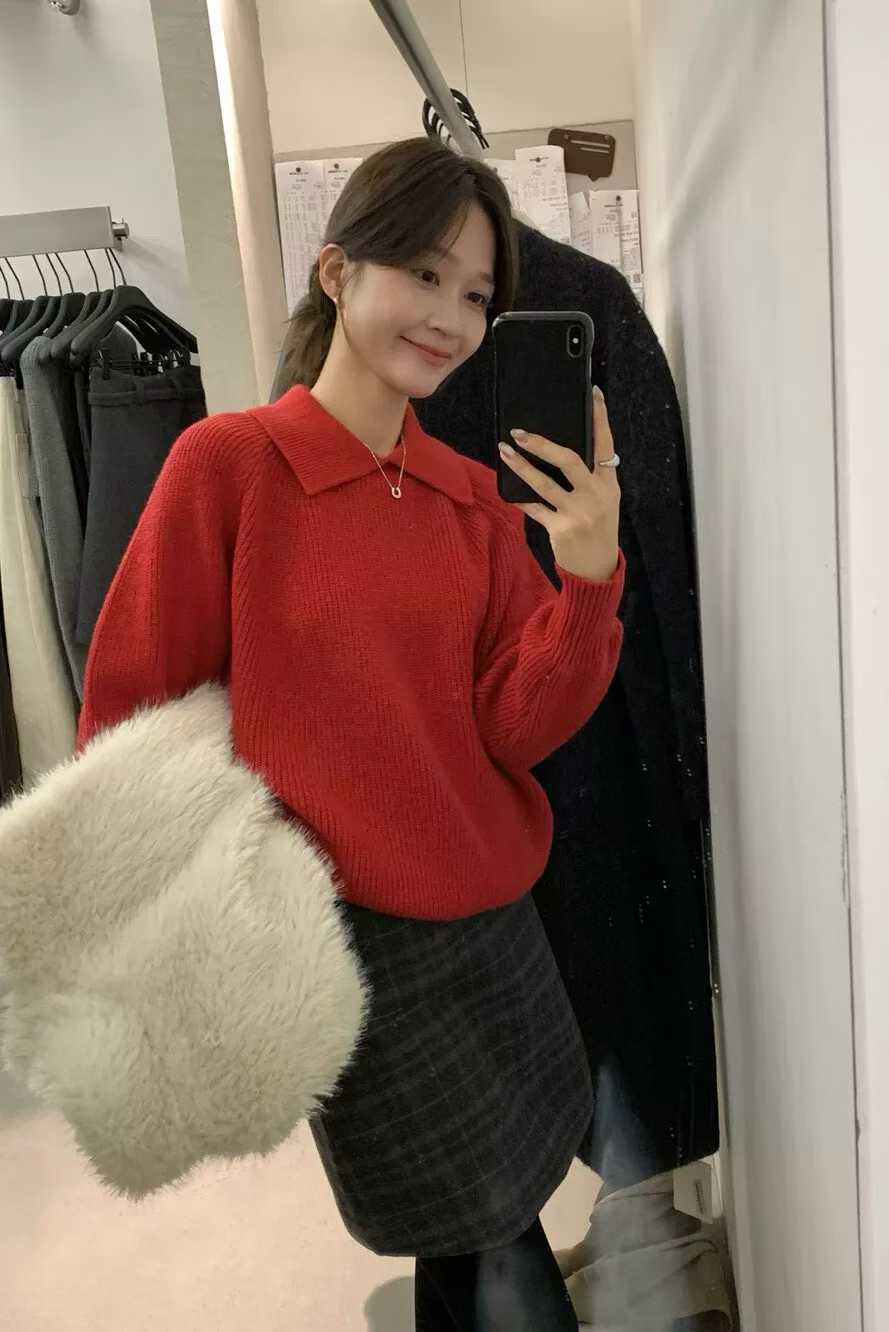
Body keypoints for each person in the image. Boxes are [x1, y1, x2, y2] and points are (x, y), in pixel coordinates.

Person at [77, 137, 626, 1330]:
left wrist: (587, 582)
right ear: (336, 272)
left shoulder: (469, 499)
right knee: (483, 1233)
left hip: (498, 932)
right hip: (355, 951)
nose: (451, 318)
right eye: (424, 275)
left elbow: (516, 726)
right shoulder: (230, 469)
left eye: (476, 295)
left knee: (487, 1229)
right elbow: (133, 715)